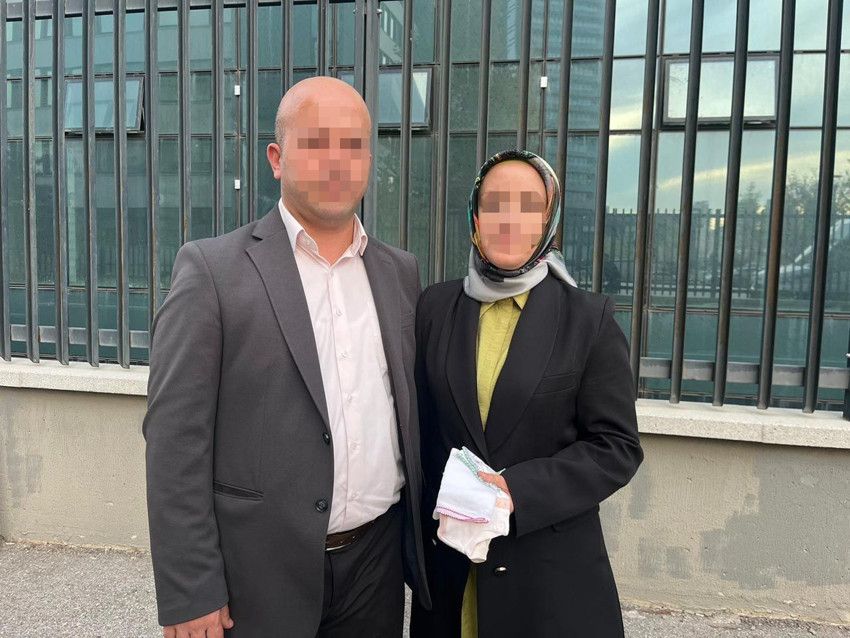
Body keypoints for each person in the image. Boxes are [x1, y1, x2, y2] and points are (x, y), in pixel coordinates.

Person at [143, 76, 430, 637]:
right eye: (316, 142)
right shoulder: (212, 271)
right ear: (277, 159)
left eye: (352, 145)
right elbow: (175, 439)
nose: (337, 161)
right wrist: (190, 589)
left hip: (376, 567)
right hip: (258, 574)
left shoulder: (400, 272)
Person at [409, 149, 643, 637]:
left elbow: (616, 448)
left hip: (548, 580)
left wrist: (518, 489)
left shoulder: (588, 320)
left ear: (548, 221)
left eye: (527, 205)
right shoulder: (435, 308)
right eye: (495, 204)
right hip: (453, 572)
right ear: (476, 219)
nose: (509, 219)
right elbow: (420, 434)